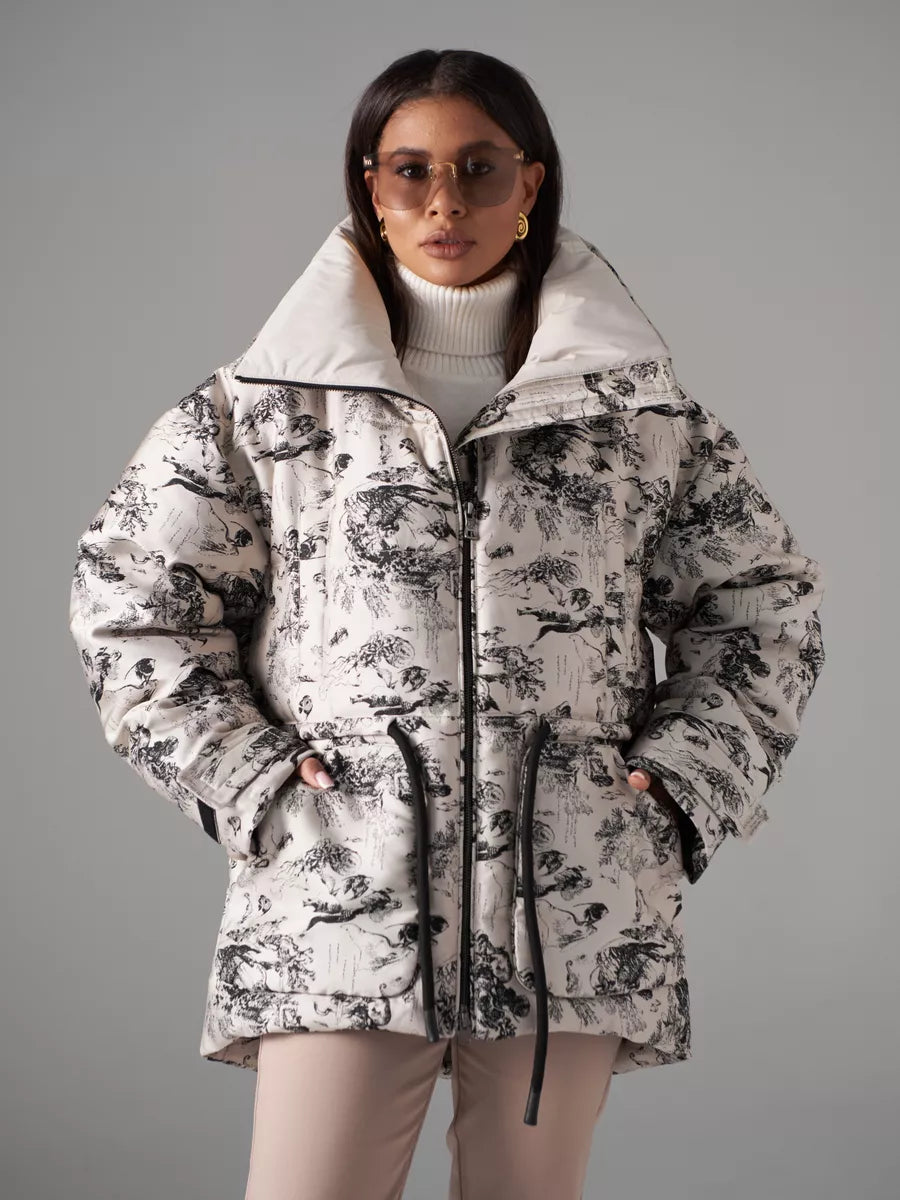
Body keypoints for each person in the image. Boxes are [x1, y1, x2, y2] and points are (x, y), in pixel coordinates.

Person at [67, 47, 826, 1200]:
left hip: (572, 906)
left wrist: (676, 787)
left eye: (479, 169)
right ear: (369, 188)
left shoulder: (644, 419)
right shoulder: (261, 410)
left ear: (530, 184)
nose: (444, 203)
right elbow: (133, 610)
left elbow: (762, 613)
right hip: (338, 893)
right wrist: (254, 782)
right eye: (410, 170)